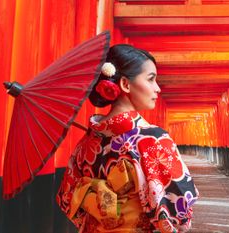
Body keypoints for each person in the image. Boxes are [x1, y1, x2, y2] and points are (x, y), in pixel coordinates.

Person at [56, 44, 199, 233]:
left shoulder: (86, 143)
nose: (157, 89)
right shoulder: (152, 139)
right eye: (151, 79)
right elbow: (178, 213)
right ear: (125, 84)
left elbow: (67, 200)